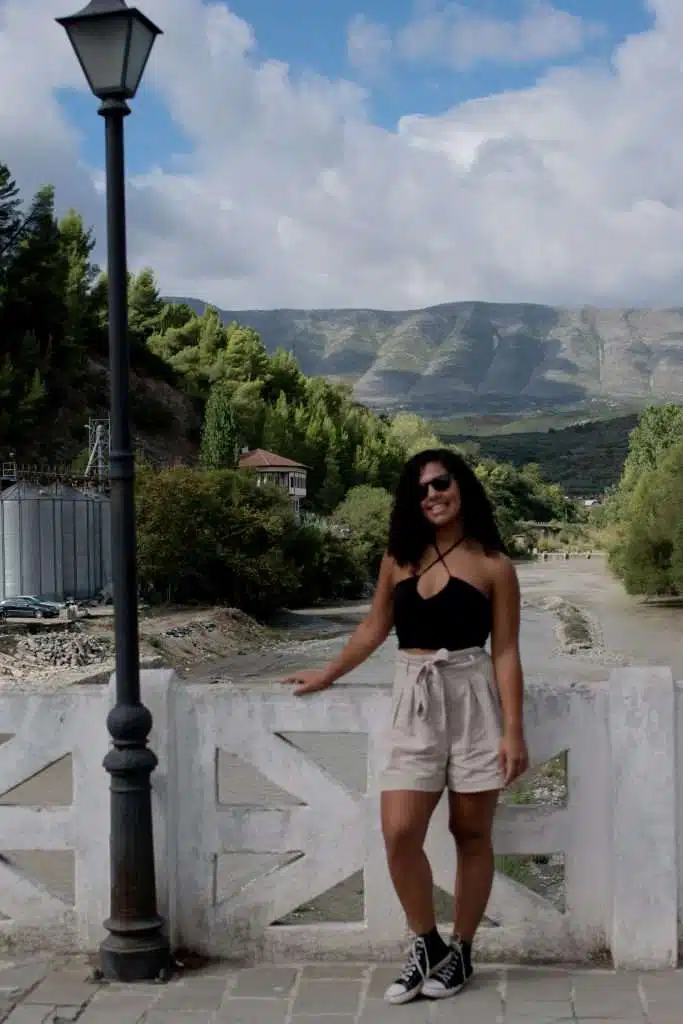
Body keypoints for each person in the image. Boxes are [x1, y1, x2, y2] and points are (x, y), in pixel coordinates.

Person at [284, 448, 528, 1005]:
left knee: (470, 832)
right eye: (420, 490)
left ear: (461, 486)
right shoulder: (398, 558)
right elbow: (373, 629)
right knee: (398, 831)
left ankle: (462, 951)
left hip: (472, 700)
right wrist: (326, 673)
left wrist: (513, 729)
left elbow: (507, 651)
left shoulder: (494, 566)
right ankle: (427, 943)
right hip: (412, 697)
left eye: (440, 483)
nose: (432, 496)